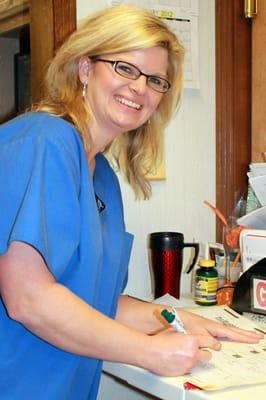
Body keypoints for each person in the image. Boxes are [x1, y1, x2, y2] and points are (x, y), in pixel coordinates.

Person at [0, 4, 262, 400]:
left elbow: (99, 302)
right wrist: (150, 352)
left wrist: (178, 320)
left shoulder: (102, 175)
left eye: (156, 80)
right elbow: (28, 299)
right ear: (85, 68)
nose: (140, 88)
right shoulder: (43, 141)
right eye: (125, 68)